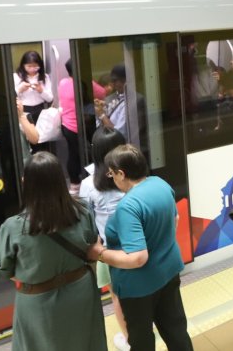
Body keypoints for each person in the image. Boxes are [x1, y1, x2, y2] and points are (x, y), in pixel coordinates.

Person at [0, 152, 106, 351]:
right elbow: (91, 247)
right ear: (60, 180)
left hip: (38, 303)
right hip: (82, 292)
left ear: (25, 182)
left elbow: (3, 271)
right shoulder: (83, 211)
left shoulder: (13, 227)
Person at [93, 145, 192, 351]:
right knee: (176, 331)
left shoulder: (128, 206)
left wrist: (100, 254)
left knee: (142, 341)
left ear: (122, 173)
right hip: (168, 272)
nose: (112, 178)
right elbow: (175, 219)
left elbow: (138, 257)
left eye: (112, 174)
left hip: (139, 287)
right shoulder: (160, 184)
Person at [78, 128, 130, 351]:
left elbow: (86, 221)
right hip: (138, 245)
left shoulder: (89, 185)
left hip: (108, 252)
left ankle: (128, 339)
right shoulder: (133, 177)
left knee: (117, 296)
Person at [58, 58, 107, 189]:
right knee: (90, 153)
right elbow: (102, 93)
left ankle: (74, 183)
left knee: (73, 154)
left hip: (66, 125)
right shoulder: (83, 83)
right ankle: (93, 181)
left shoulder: (63, 82)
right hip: (81, 126)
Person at [14, 51, 54, 128]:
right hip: (23, 111)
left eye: (35, 66)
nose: (32, 69)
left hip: (41, 110)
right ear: (23, 65)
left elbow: (50, 99)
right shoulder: (16, 76)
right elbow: (10, 97)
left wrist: (41, 91)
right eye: (29, 66)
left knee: (41, 136)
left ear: (40, 65)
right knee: (27, 136)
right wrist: (19, 89)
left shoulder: (44, 77)